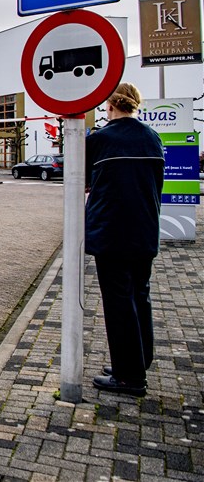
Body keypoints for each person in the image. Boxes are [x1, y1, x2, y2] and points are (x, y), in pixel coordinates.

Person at [85, 82, 165, 397]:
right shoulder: (151, 137)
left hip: (112, 232)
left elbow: (81, 179)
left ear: (110, 106)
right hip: (145, 230)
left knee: (118, 302)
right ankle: (137, 360)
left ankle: (129, 377)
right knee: (140, 295)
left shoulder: (101, 139)